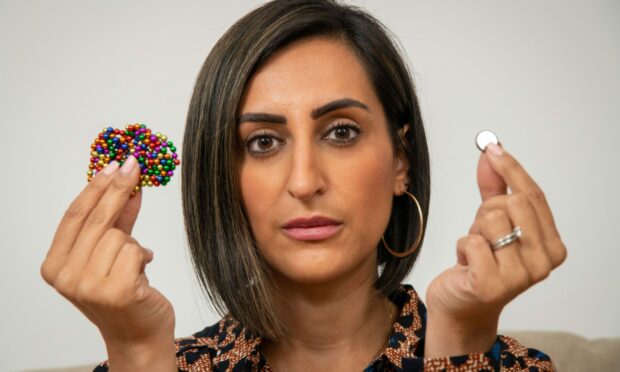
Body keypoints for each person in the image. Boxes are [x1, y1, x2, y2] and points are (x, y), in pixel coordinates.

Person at [40, 0, 567, 371]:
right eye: (263, 142)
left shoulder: (505, 364)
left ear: (400, 160)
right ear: (224, 177)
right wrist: (135, 352)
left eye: (341, 132)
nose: (304, 182)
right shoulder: (157, 366)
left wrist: (460, 346)